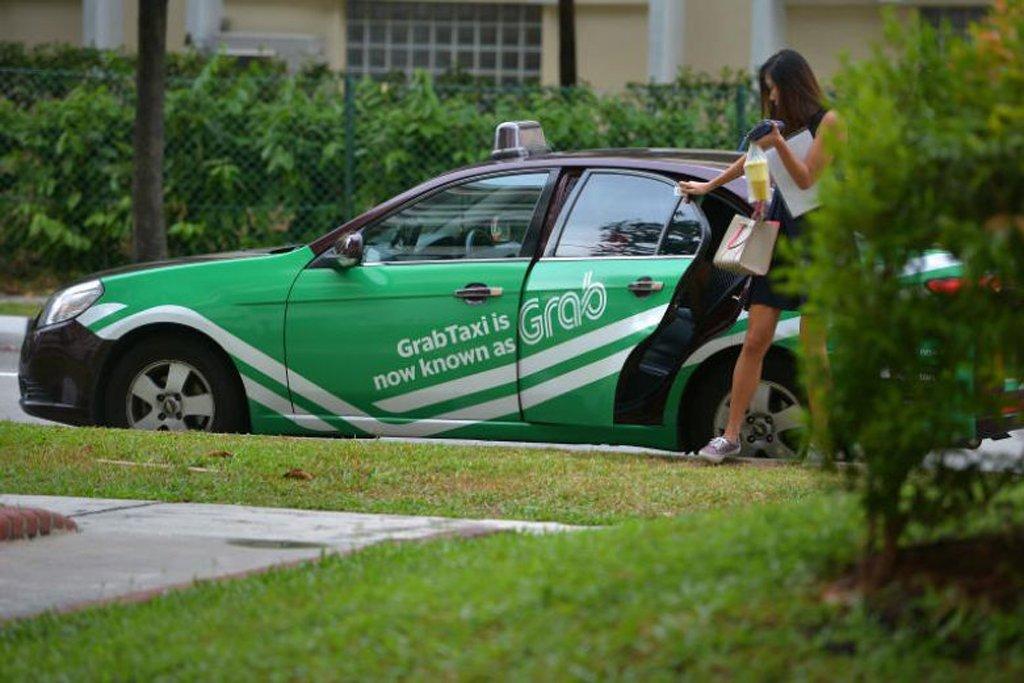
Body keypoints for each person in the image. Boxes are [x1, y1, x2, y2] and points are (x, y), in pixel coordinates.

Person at [677, 49, 840, 463]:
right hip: (780, 235)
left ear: (792, 85)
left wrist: (778, 143)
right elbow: (750, 160)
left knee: (813, 345)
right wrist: (708, 186)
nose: (771, 98)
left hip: (820, 238)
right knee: (754, 339)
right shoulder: (781, 126)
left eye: (774, 89)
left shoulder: (829, 122)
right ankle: (730, 435)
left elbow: (807, 177)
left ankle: (824, 441)